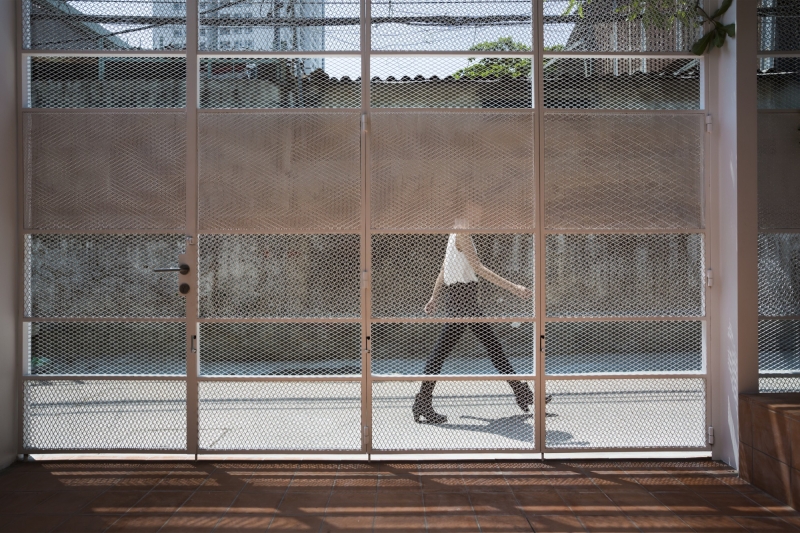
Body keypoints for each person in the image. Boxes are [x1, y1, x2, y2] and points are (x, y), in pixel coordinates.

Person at [413, 222, 546, 424]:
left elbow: (444, 269)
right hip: (463, 302)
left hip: (462, 300)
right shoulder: (461, 233)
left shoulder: (454, 233)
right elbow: (478, 268)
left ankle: (522, 391)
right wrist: (513, 287)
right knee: (445, 352)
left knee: (492, 348)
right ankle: (422, 401)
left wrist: (434, 297)